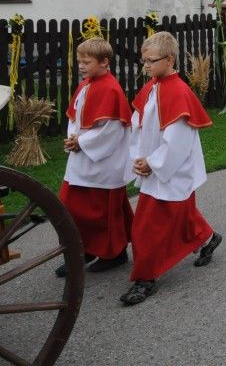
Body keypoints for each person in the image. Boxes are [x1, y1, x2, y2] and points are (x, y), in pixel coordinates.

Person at [122, 32, 221, 305]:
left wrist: (153, 163)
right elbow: (137, 124)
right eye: (143, 62)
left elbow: (177, 141)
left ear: (169, 59)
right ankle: (209, 238)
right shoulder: (151, 87)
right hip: (154, 166)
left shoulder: (179, 92)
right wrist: (139, 157)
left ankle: (145, 278)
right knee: (180, 215)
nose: (146, 67)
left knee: (146, 228)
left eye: (151, 61)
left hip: (171, 169)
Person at [57, 37, 134, 277]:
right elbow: (74, 116)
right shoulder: (86, 84)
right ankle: (84, 250)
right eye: (79, 61)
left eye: (86, 62)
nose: (81, 66)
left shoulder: (111, 89)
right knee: (70, 205)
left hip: (103, 162)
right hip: (82, 159)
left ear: (104, 62)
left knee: (103, 210)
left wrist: (81, 141)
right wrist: (73, 136)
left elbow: (112, 129)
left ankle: (114, 253)